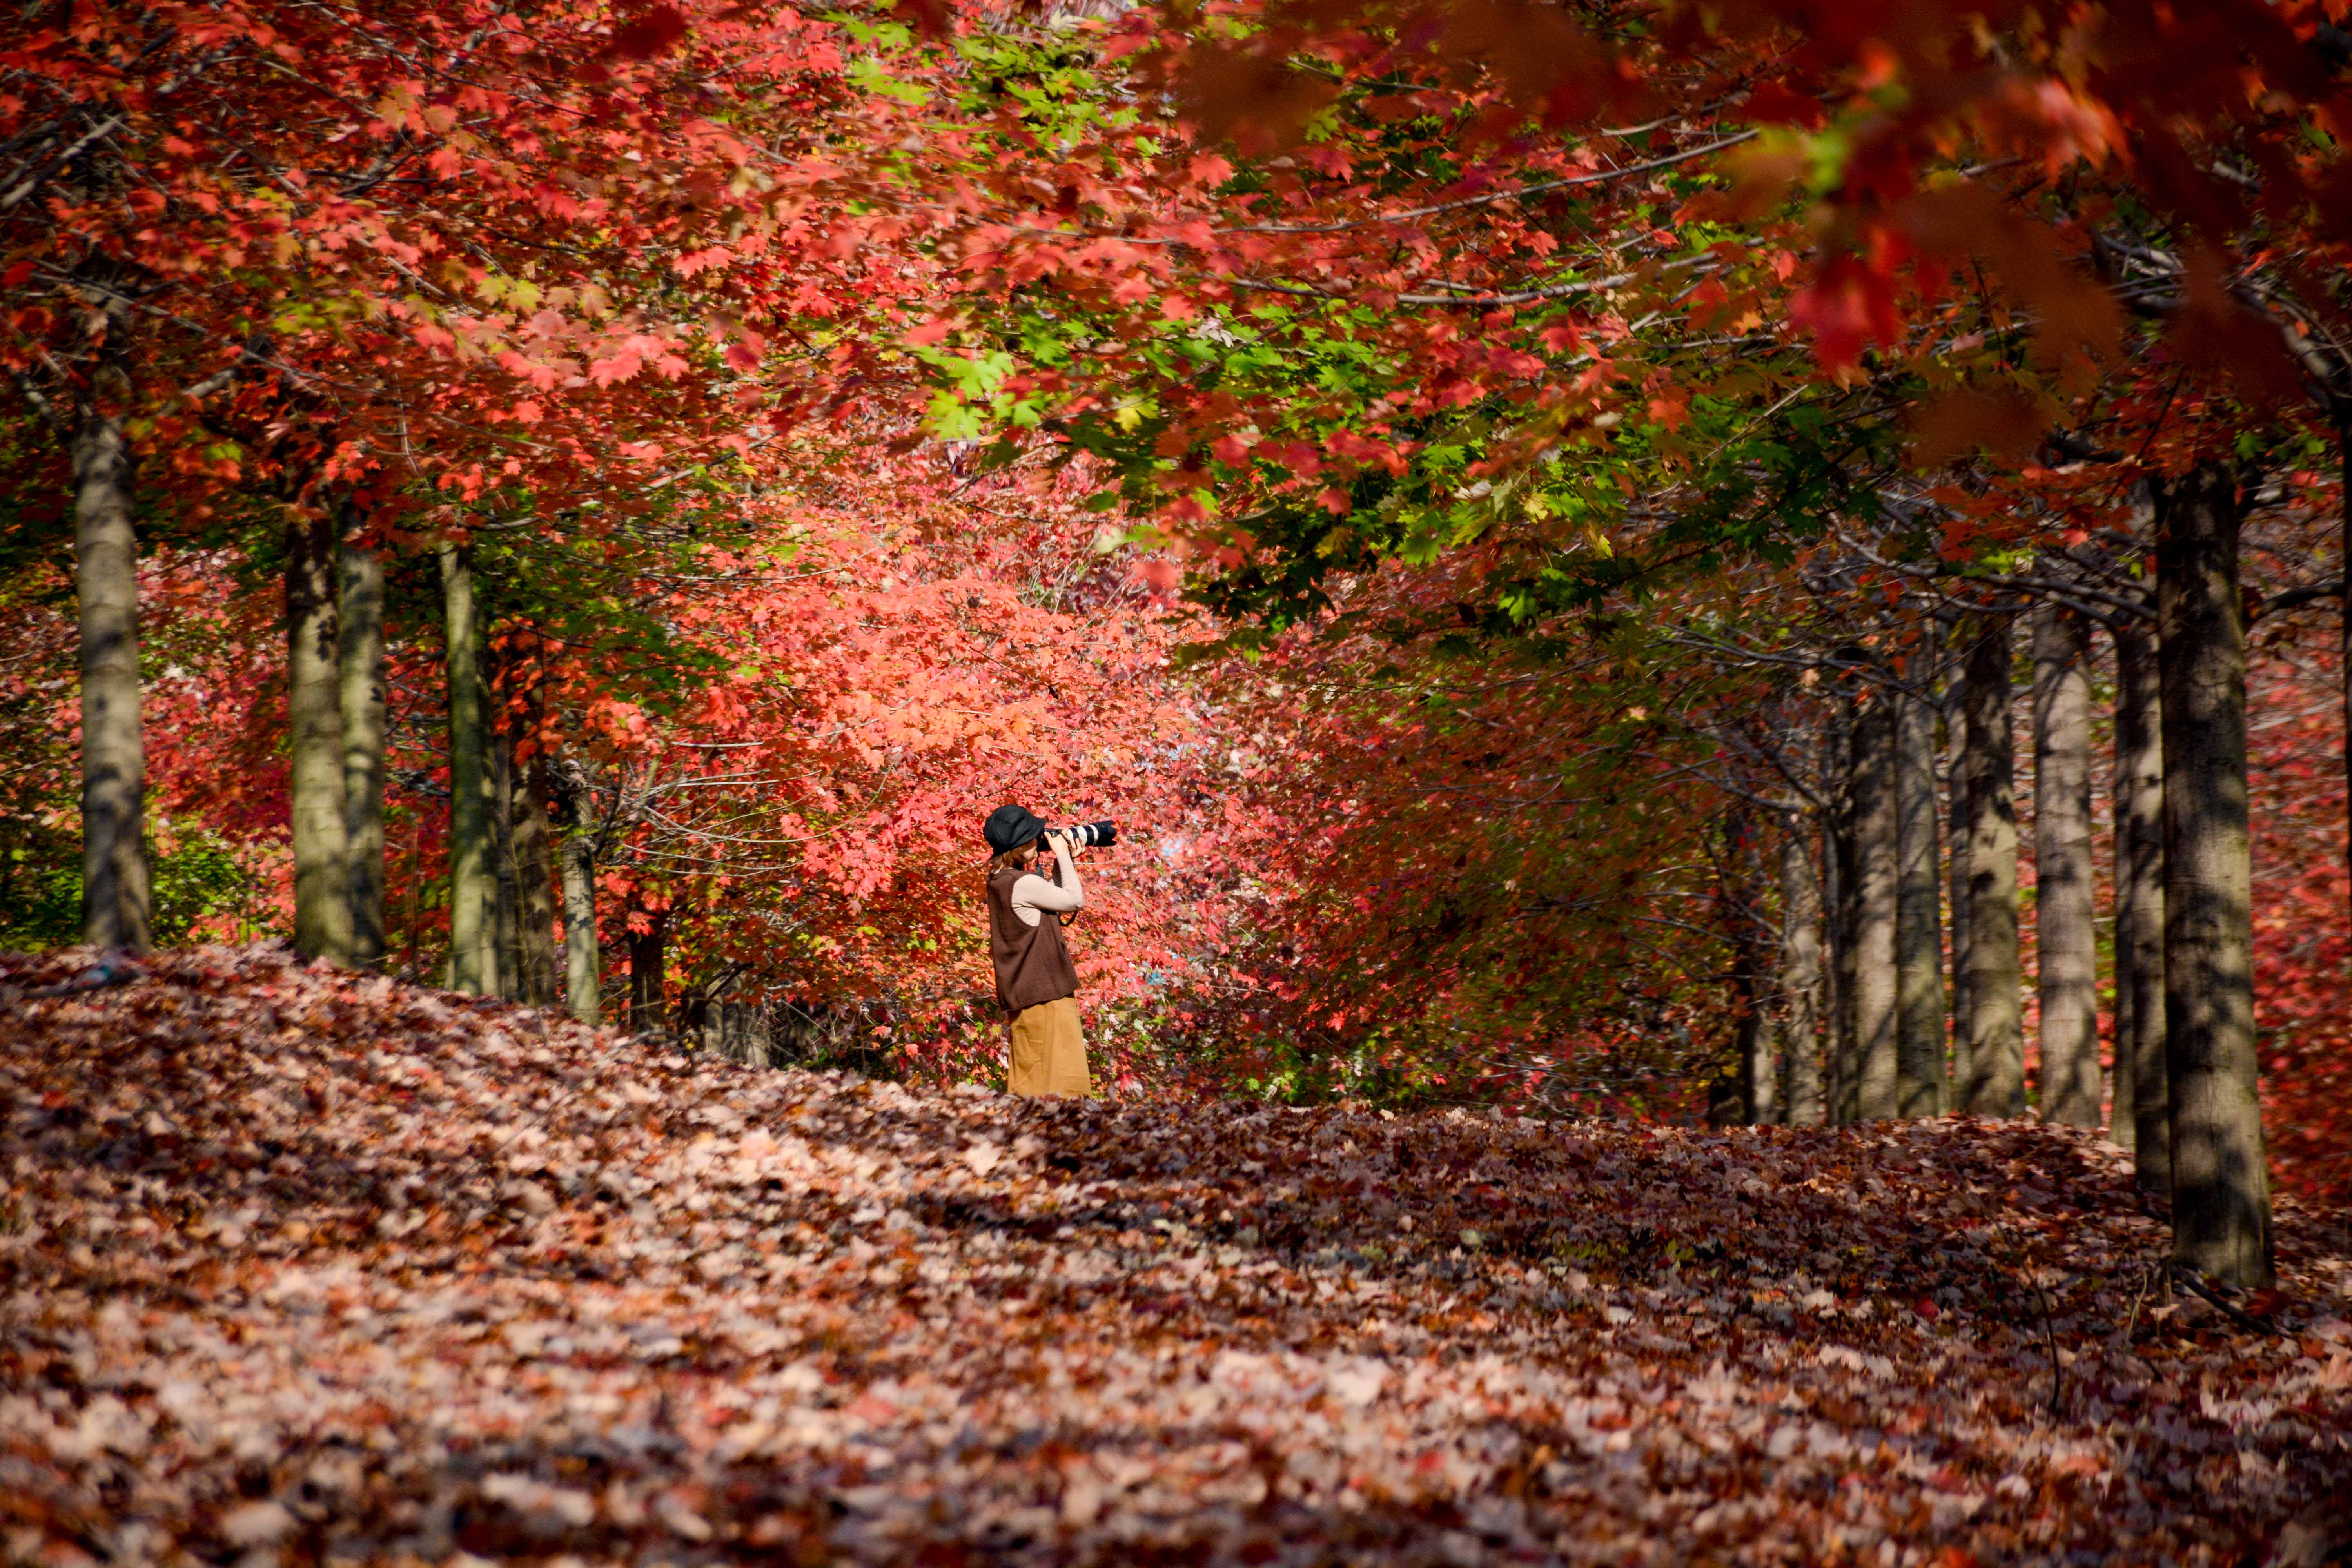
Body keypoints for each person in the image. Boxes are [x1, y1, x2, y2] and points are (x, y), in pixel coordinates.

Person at [982, 803, 1092, 1097]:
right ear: (1018, 845)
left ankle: (1025, 1136)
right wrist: (1064, 855)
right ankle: (1064, 1138)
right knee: (1064, 1082)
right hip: (1047, 994)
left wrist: (1060, 864)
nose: (1037, 840)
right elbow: (1073, 901)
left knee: (1031, 1078)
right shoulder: (1024, 882)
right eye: (1032, 837)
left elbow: (1051, 899)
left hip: (1024, 993)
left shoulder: (999, 880)